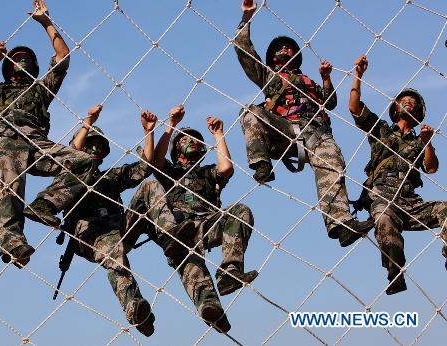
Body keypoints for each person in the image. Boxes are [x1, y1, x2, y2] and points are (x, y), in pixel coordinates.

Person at [234, 0, 373, 246]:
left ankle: (342, 225)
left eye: (289, 48)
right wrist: (246, 17)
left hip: (317, 133)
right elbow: (243, 49)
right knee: (250, 111)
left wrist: (326, 79)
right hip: (285, 132)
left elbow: (330, 103)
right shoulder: (270, 77)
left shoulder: (309, 82)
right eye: (281, 48)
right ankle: (261, 164)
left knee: (333, 166)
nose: (286, 50)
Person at [0, 0, 94, 268]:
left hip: (36, 143)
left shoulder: (39, 90)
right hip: (5, 137)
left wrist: (46, 22)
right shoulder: (1, 91)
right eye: (16, 59)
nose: (21, 61)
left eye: (26, 59)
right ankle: (13, 243)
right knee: (9, 190)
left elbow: (63, 57)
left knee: (82, 161)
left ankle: (45, 205)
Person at [126, 105, 258, 333]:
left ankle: (230, 271)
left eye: (197, 139)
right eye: (187, 139)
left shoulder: (206, 174)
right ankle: (213, 311)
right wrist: (171, 125)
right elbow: (155, 162)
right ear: (177, 149)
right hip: (176, 230)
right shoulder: (171, 172)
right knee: (193, 269)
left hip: (204, 225)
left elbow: (225, 168)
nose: (193, 141)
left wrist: (218, 134)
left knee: (241, 211)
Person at [349, 54, 447, 295]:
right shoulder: (381, 130)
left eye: (413, 101)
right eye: (404, 99)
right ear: (395, 107)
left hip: (410, 202)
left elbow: (432, 167)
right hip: (382, 197)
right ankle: (395, 273)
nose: (409, 102)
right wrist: (358, 77)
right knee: (383, 218)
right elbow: (354, 108)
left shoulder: (419, 140)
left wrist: (427, 143)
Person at [56, 105, 157, 336]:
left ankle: (173, 236)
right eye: (89, 143)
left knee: (150, 187)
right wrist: (88, 122)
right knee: (113, 251)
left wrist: (148, 132)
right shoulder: (68, 175)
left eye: (98, 145)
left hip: (118, 228)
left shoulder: (109, 178)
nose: (93, 148)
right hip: (89, 234)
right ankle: (135, 308)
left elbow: (144, 168)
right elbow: (70, 155)